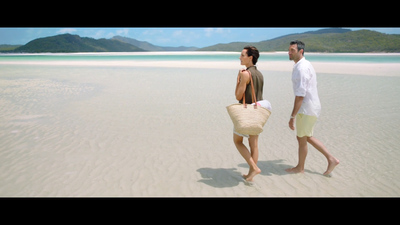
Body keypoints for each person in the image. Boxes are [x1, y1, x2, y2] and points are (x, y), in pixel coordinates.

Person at [286, 40, 339, 176]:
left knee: (303, 137)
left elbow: (300, 95)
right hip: (311, 107)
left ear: (300, 51)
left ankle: (303, 167)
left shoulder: (302, 68)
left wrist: (292, 117)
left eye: (292, 50)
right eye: (289, 50)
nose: (289, 52)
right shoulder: (303, 65)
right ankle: (327, 160)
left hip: (306, 108)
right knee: (305, 137)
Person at [234, 45, 264, 181]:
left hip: (246, 112)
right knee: (254, 144)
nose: (240, 57)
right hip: (258, 111)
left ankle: (254, 168)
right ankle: (251, 175)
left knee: (238, 141)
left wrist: (238, 79)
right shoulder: (259, 74)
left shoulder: (245, 74)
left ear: (250, 58)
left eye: (242, 55)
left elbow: (238, 96)